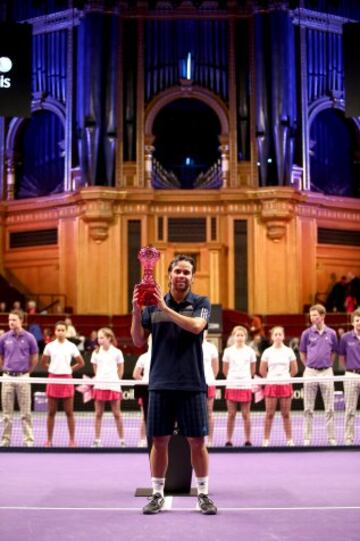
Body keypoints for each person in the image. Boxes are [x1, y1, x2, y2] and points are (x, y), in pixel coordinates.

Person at [131, 254, 217, 515]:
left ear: (192, 277)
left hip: (192, 384)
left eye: (186, 272)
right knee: (159, 441)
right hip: (159, 383)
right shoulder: (150, 307)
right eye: (177, 271)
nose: (181, 276)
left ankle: (203, 494)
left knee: (197, 441)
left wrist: (165, 309)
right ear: (168, 275)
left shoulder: (201, 302)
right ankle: (157, 493)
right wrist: (136, 311)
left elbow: (196, 327)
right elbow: (137, 340)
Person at [41, 321, 85, 447]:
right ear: (55, 332)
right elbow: (43, 363)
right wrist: (52, 369)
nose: (60, 332)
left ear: (66, 332)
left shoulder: (71, 346)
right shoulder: (49, 346)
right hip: (53, 379)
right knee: (51, 412)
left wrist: (69, 370)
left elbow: (81, 363)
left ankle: (72, 440)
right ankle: (49, 440)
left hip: (67, 380)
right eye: (58, 330)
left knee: (69, 412)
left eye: (62, 330)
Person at [300, 304, 338, 446]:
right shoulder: (306, 334)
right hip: (310, 372)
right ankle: (307, 439)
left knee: (330, 408)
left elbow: (334, 352)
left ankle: (331, 438)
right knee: (308, 408)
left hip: (327, 372)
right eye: (311, 315)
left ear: (322, 316)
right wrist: (309, 366)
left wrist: (327, 365)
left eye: (315, 315)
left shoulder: (332, 334)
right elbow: (302, 353)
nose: (312, 318)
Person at [0, 310, 39, 447]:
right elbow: (1, 356)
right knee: (6, 413)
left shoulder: (29, 338)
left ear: (21, 320)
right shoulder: (4, 338)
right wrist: (4, 369)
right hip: (7, 378)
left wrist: (28, 371)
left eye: (14, 320)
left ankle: (28, 441)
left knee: (25, 413)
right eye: (10, 320)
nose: (11, 322)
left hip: (23, 377)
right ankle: (5, 440)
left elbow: (34, 356)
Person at [259, 326, 298, 447]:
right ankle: (266, 440)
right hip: (271, 385)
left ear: (283, 336)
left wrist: (284, 377)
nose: (277, 336)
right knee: (269, 414)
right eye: (275, 334)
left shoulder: (289, 351)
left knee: (286, 414)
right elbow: (262, 370)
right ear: (272, 337)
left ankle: (289, 440)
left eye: (280, 334)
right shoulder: (267, 352)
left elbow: (294, 370)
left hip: (285, 384)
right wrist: (272, 378)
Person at [91, 327, 125, 448]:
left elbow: (121, 369)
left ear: (109, 338)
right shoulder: (95, 353)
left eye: (102, 337)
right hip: (99, 385)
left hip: (113, 386)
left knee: (117, 413)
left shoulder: (117, 352)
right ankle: (97, 440)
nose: (99, 340)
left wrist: (116, 381)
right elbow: (95, 369)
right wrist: (100, 378)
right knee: (98, 413)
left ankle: (122, 440)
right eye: (98, 338)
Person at [222, 325, 256, 447]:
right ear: (233, 336)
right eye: (237, 335)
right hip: (232, 384)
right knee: (231, 414)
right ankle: (228, 440)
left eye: (242, 335)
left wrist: (245, 378)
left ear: (245, 337)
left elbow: (253, 370)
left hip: (245, 385)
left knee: (246, 414)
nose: (240, 337)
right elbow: (225, 370)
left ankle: (248, 440)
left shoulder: (250, 351)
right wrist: (234, 378)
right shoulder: (228, 351)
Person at [339, 309, 360, 445]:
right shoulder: (346, 337)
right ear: (352, 322)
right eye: (357, 320)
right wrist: (350, 369)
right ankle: (348, 438)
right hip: (351, 375)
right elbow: (341, 358)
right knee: (350, 409)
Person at [133, 335, 152, 447]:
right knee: (145, 416)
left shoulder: (164, 356)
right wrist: (145, 380)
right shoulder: (143, 357)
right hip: (146, 388)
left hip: (160, 389)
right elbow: (135, 374)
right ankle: (142, 440)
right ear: (148, 342)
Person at [202, 331, 219, 447]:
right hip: (194, 385)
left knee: (209, 412)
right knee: (196, 413)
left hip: (209, 383)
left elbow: (215, 368)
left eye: (204, 331)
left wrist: (210, 379)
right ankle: (199, 440)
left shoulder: (211, 348)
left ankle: (210, 440)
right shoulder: (190, 344)